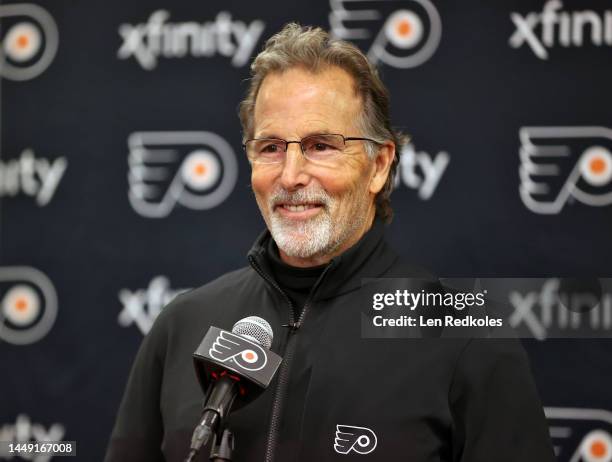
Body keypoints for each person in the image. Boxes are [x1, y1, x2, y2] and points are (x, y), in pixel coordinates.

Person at [105, 23, 555, 462]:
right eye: (271, 147)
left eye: (321, 146)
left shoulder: (465, 335)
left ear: (378, 165)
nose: (291, 175)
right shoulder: (182, 325)